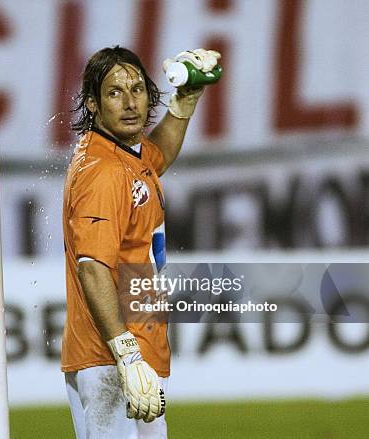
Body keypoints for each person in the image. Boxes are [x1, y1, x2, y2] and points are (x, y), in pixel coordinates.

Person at [61, 46, 220, 438]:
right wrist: (126, 355)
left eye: (137, 89)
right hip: (110, 359)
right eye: (115, 92)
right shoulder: (102, 173)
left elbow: (159, 153)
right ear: (93, 104)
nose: (130, 103)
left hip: (128, 350)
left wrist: (184, 102)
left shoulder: (126, 155)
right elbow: (92, 268)